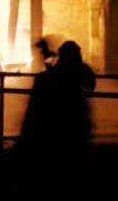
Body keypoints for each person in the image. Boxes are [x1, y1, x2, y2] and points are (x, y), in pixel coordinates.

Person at [18, 39, 96, 172]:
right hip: (73, 126)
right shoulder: (74, 73)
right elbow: (90, 85)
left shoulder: (46, 78)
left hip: (58, 128)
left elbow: (34, 111)